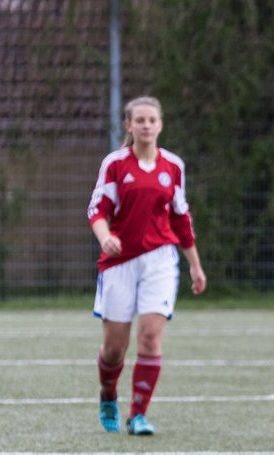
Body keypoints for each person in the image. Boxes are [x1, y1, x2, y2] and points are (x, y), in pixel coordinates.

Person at [87, 95, 207, 435]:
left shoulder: (173, 167)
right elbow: (96, 210)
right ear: (129, 125)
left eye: (152, 120)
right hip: (119, 262)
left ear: (160, 124)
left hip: (160, 261)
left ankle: (137, 414)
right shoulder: (115, 164)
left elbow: (182, 219)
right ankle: (108, 393)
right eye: (139, 120)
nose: (146, 125)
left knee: (151, 339)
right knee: (114, 349)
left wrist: (195, 266)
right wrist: (105, 237)